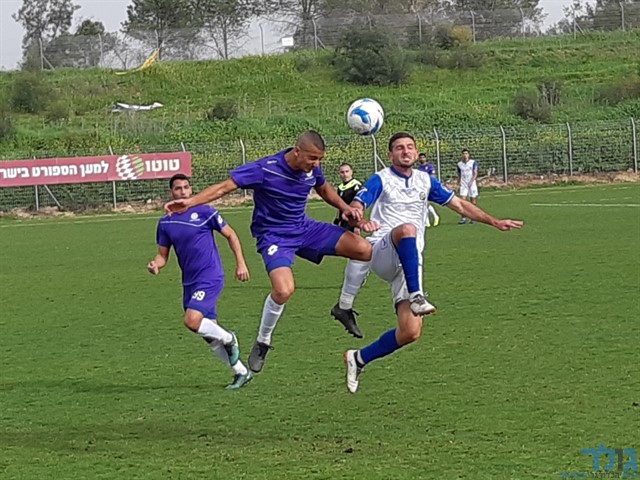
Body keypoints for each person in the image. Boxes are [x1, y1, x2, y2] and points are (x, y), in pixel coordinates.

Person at [164, 131, 379, 374]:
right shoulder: (265, 169)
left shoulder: (311, 168)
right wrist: (190, 202)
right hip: (274, 236)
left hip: (305, 229)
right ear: (297, 151)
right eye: (312, 158)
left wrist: (345, 207)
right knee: (284, 290)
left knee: (364, 249)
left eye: (320, 159)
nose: (316, 164)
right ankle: (263, 341)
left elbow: (323, 188)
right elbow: (225, 187)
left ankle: (344, 307)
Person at [337, 132, 523, 393]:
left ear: (416, 152)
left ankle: (358, 358)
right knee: (408, 229)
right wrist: (359, 216)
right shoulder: (381, 178)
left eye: (410, 147)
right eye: (399, 148)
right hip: (383, 251)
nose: (406, 151)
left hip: (410, 263)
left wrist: (494, 221)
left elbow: (460, 206)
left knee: (410, 332)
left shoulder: (426, 181)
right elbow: (359, 203)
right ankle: (416, 296)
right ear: (390, 155)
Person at [148, 174, 253, 390]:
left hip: (210, 276)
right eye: (178, 188)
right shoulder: (166, 222)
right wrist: (156, 265)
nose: (183, 191)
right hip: (189, 282)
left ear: (191, 189)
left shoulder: (205, 211)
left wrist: (241, 263)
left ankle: (229, 338)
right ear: (171, 192)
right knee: (208, 334)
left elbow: (231, 235)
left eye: (186, 187)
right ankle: (241, 372)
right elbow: (163, 255)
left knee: (192, 321)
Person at [333, 163, 362, 232]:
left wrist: (357, 224)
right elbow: (339, 204)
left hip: (352, 219)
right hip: (343, 219)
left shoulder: (356, 185)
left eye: (347, 171)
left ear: (351, 172)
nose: (345, 174)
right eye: (342, 172)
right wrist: (337, 220)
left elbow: (360, 205)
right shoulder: (340, 187)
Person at [457, 148, 479, 224]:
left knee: (473, 201)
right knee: (463, 200)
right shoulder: (459, 164)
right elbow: (459, 174)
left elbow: (475, 173)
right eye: (463, 154)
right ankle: (463, 217)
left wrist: (471, 181)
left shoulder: (473, 162)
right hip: (464, 184)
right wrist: (458, 182)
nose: (465, 155)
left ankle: (473, 217)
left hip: (472, 184)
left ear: (469, 155)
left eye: (466, 153)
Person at [417, 158, 440, 227]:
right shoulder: (419, 168)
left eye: (423, 157)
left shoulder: (429, 166)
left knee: (426, 203)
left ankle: (428, 221)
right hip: (422, 188)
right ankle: (432, 218)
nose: (422, 159)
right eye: (421, 157)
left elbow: (433, 176)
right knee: (423, 203)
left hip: (428, 187)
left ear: (425, 158)